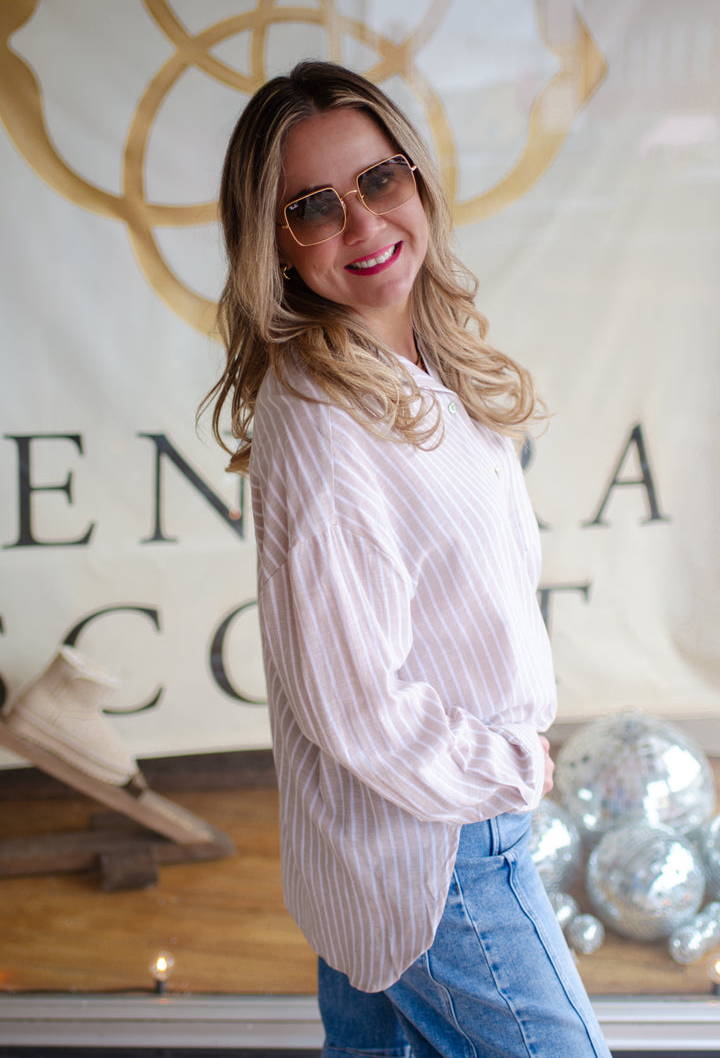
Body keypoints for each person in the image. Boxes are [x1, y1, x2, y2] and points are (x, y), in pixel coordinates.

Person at [204, 60, 611, 1058]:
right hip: (439, 857)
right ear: (277, 245)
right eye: (312, 206)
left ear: (418, 182)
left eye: (380, 180)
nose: (363, 225)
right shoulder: (325, 425)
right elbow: (356, 704)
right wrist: (505, 766)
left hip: (397, 852)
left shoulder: (423, 366)